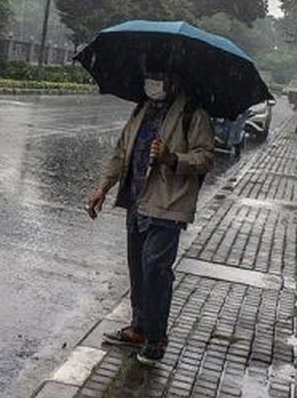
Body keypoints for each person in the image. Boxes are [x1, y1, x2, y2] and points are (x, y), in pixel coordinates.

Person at [85, 59, 215, 365]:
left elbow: (206, 157)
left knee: (156, 270)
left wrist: (173, 158)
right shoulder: (142, 109)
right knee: (138, 269)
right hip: (136, 201)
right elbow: (121, 152)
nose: (151, 81)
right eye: (149, 75)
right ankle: (139, 328)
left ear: (173, 79)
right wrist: (103, 187)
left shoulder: (192, 113)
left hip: (168, 205)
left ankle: (156, 337)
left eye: (158, 75)